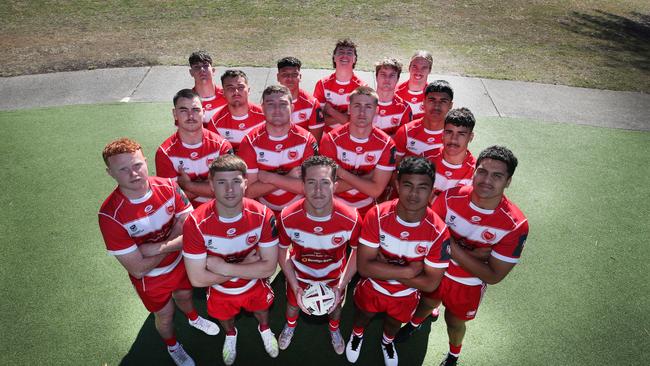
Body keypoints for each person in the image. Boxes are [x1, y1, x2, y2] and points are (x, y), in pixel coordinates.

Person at [396, 146, 529, 366]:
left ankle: (453, 355)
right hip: (436, 270)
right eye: (482, 171)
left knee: (454, 321)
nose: (487, 180)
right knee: (427, 301)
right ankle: (415, 323)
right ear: (474, 171)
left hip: (467, 285)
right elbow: (427, 234)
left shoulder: (515, 224)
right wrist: (473, 255)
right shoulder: (450, 197)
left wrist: (451, 246)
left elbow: (493, 275)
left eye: (497, 176)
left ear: (508, 181)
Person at [98, 138, 219, 366]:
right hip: (151, 280)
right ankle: (173, 345)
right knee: (165, 316)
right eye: (123, 169)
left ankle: (193, 318)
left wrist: (154, 248)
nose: (133, 173)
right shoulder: (110, 215)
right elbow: (139, 268)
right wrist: (175, 237)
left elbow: (191, 228)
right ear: (110, 173)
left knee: (184, 295)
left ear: (145, 161)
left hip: (180, 264)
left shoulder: (169, 186)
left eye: (137, 165)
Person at [345, 156, 451, 366]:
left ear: (432, 191)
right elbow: (365, 267)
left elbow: (431, 283)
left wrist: (383, 266)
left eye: (422, 187)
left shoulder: (439, 231)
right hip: (373, 287)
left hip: (406, 296)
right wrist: (408, 272)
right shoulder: (376, 215)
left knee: (394, 323)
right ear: (397, 185)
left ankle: (387, 341)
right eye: (408, 185)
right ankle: (357, 335)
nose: (414, 194)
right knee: (363, 315)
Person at [182, 154, 280, 366]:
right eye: (221, 182)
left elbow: (268, 268)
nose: (229, 189)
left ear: (245, 183)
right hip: (221, 291)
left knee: (262, 310)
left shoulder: (263, 214)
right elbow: (197, 280)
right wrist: (245, 265)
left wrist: (224, 266)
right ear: (211, 185)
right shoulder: (195, 222)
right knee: (225, 317)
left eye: (236, 181)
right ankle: (231, 335)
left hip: (254, 284)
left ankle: (264, 329)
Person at [276, 156, 362, 354]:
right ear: (302, 185)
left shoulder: (351, 218)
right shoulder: (287, 216)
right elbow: (282, 252)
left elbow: (357, 252)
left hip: (334, 277)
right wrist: (296, 286)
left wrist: (341, 286)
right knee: (292, 304)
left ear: (335, 185)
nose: (318, 190)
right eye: (311, 183)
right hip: (299, 276)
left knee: (336, 307)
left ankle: (334, 330)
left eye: (325, 183)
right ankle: (290, 326)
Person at [238, 85, 318, 216]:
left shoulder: (307, 140)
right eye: (270, 104)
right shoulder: (250, 142)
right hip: (263, 213)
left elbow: (311, 188)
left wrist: (270, 178)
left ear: (292, 108)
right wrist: (287, 177)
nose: (277, 110)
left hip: (300, 212)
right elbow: (249, 192)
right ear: (262, 108)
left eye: (282, 104)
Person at [319, 86, 396, 217]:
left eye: (368, 106)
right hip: (334, 209)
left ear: (376, 110)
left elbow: (376, 190)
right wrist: (368, 178)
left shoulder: (387, 144)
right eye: (357, 105)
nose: (362, 112)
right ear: (349, 108)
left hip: (367, 211)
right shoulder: (330, 139)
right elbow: (327, 188)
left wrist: (341, 172)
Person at [156, 89, 233, 207]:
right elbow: (171, 199)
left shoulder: (222, 146)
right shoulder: (164, 153)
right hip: (186, 217)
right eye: (183, 110)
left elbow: (227, 190)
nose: (190, 115)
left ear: (204, 112)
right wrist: (208, 185)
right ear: (175, 114)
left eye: (196, 110)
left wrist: (188, 185)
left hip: (221, 212)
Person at [313, 39, 368, 132]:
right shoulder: (322, 84)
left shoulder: (362, 87)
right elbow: (318, 119)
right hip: (327, 137)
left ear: (355, 59)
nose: (345, 56)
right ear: (334, 57)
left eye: (349, 53)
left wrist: (330, 111)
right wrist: (345, 117)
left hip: (350, 137)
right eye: (341, 52)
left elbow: (354, 121)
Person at [393, 80, 454, 163]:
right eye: (432, 100)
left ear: (450, 105)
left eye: (443, 101)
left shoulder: (454, 137)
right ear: (424, 102)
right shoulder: (406, 131)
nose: (436, 106)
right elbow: (394, 169)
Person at [207, 70, 266, 152]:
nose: (236, 92)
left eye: (240, 87)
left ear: (248, 90)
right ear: (223, 92)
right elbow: (213, 152)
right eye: (230, 88)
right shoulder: (215, 122)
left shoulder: (265, 116)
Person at [427, 107, 476, 197]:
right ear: (443, 134)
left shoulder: (476, 173)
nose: (454, 139)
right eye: (449, 132)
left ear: (471, 137)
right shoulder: (425, 159)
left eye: (461, 134)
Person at [276, 56, 325, 142]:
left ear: (300, 77)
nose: (290, 78)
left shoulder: (312, 104)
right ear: (278, 77)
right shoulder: (269, 102)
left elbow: (314, 142)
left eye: (294, 74)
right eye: (285, 74)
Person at [373, 57, 413, 136]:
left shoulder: (404, 109)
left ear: (398, 79)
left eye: (392, 75)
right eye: (383, 74)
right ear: (376, 77)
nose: (387, 79)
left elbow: (402, 138)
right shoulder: (364, 103)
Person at [188, 50, 227, 122]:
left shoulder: (227, 95)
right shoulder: (187, 100)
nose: (202, 69)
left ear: (213, 70)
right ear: (191, 72)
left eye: (205, 65)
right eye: (197, 67)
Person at [395, 51, 433, 120]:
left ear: (430, 70)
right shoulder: (396, 92)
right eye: (415, 66)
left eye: (424, 68)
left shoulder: (434, 94)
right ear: (409, 68)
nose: (418, 71)